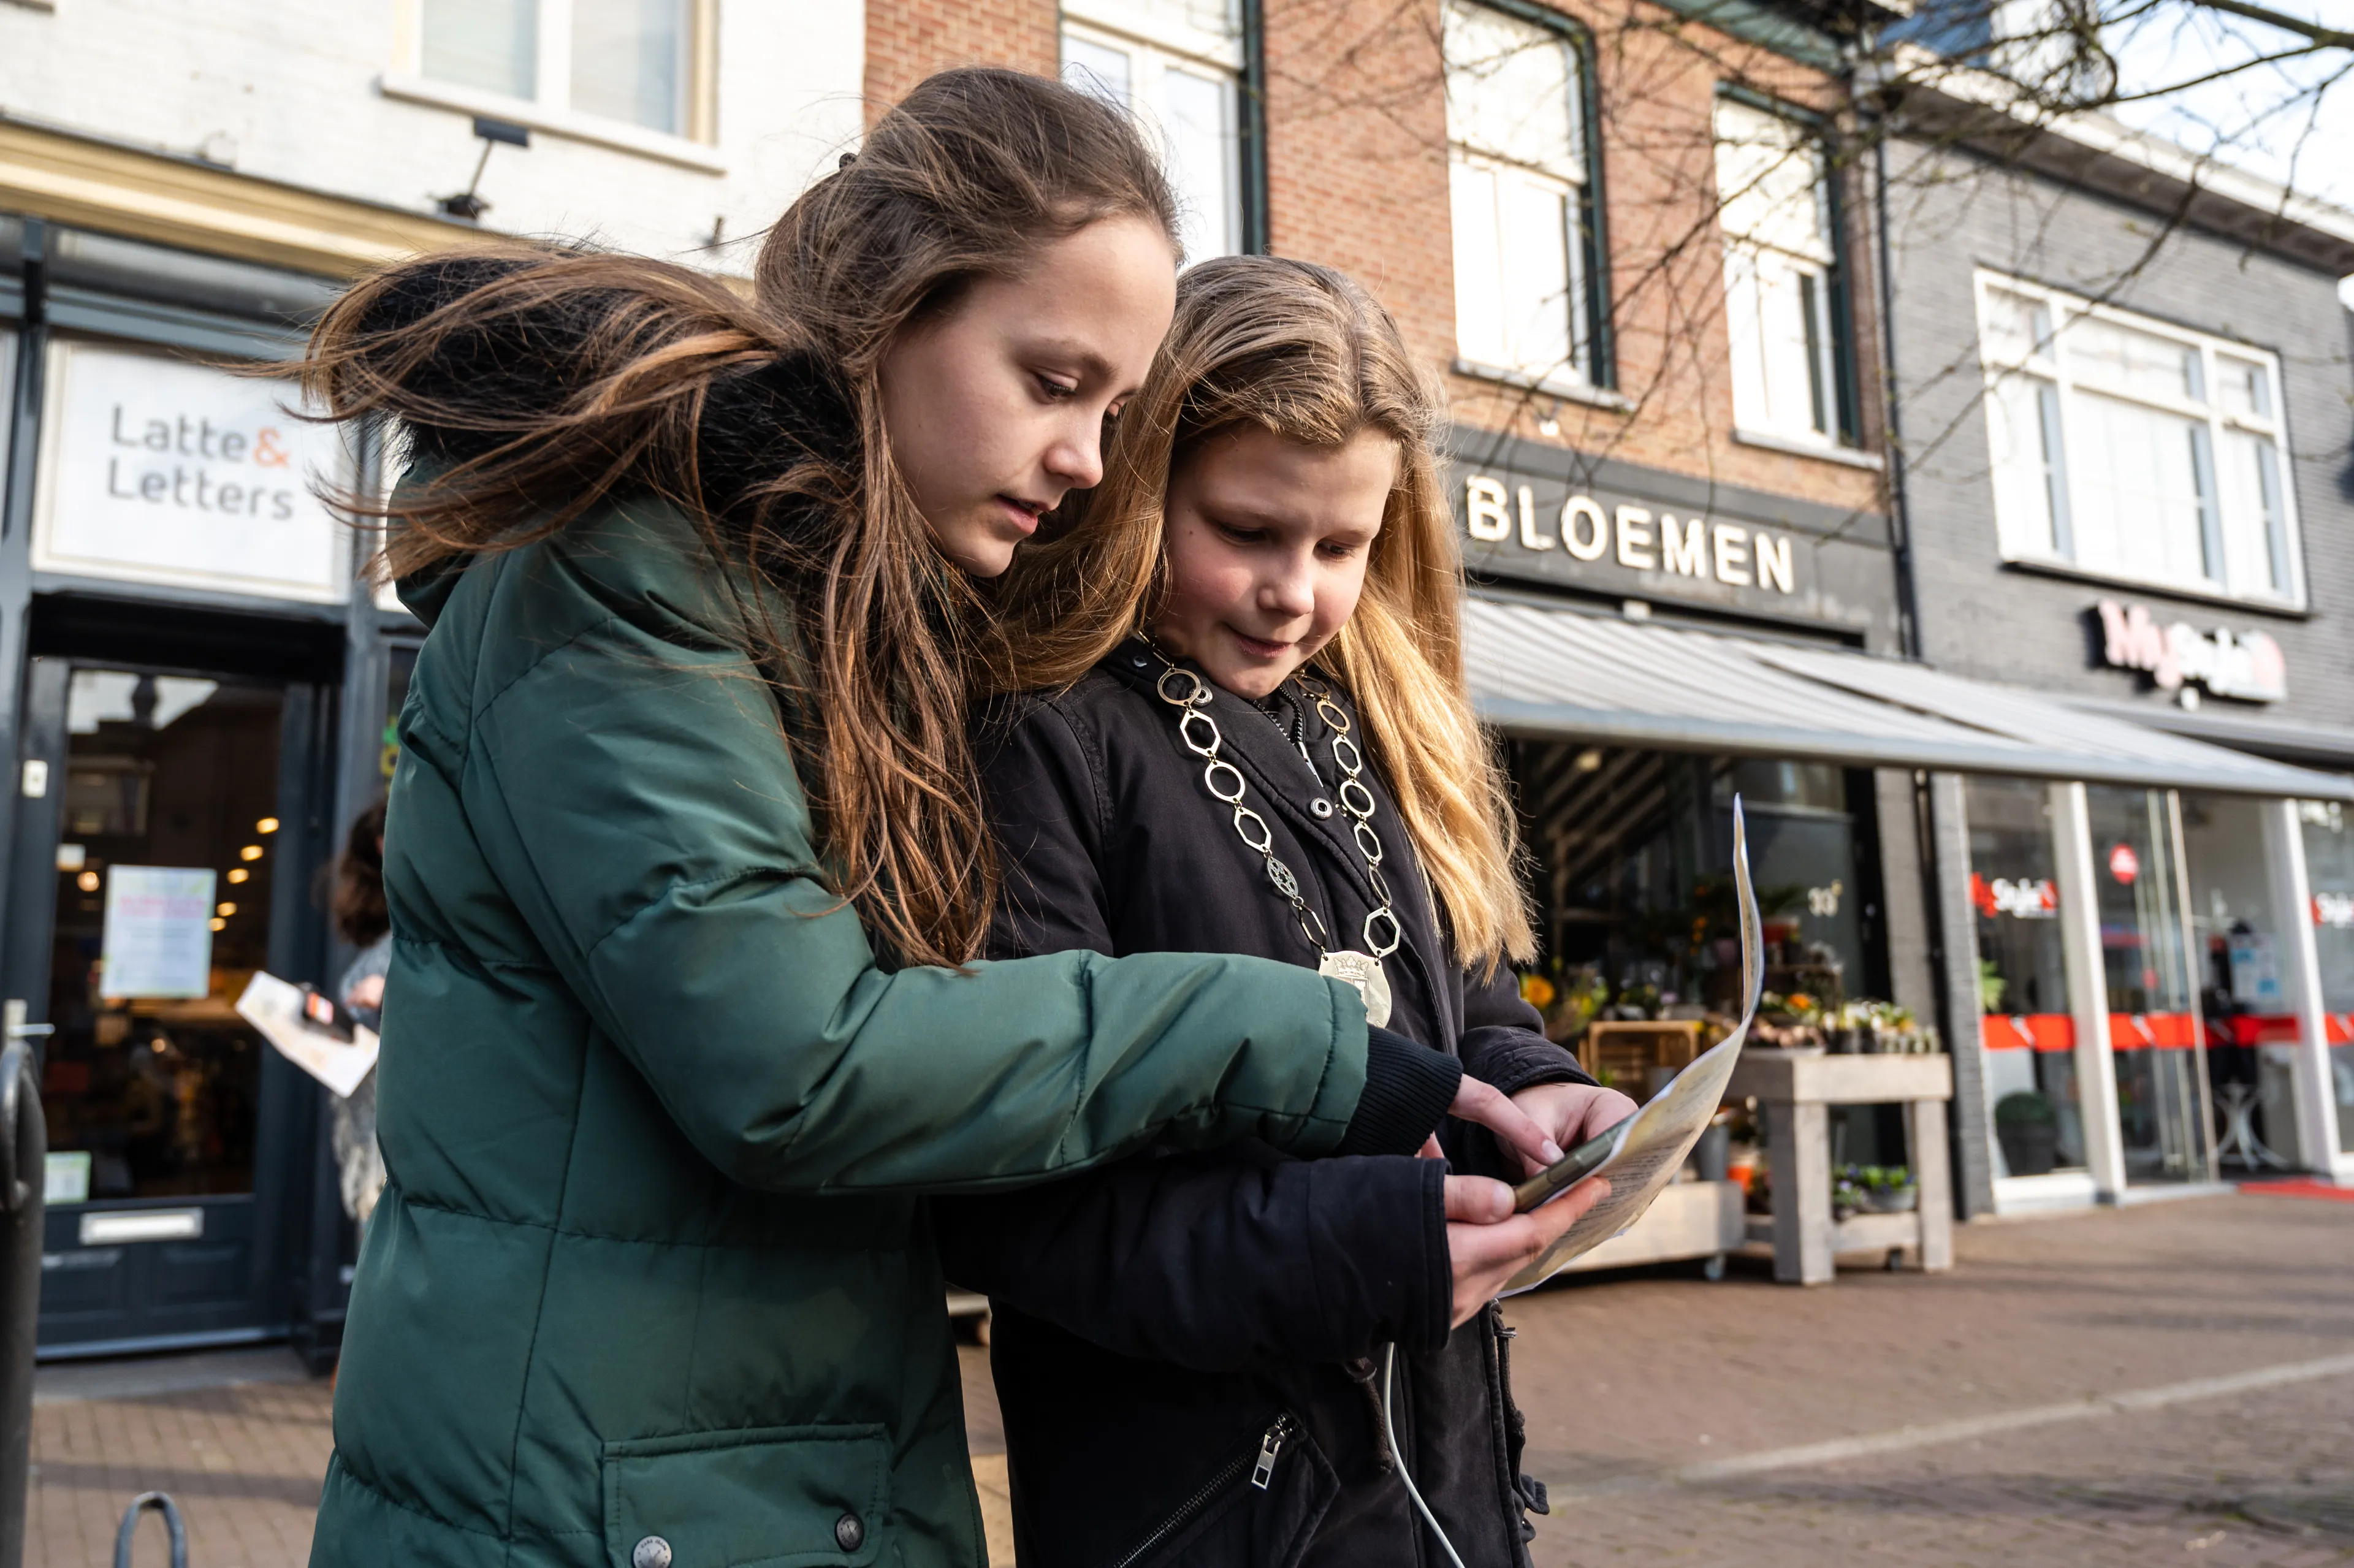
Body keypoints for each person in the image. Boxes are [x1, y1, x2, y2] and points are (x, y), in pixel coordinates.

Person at [296, 69, 1562, 1568]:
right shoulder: (620, 584)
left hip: (761, 1470)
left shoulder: (837, 615)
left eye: (1113, 405)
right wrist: (1280, 1033)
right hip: (591, 1502)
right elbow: (799, 1065)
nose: (1091, 459)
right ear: (894, 309)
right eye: (1051, 380)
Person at [937, 256, 1641, 1567]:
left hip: (1435, 1485)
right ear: (1141, 487)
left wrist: (1533, 1082)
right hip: (1203, 1515)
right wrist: (1360, 1246)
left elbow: (1455, 994)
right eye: (1248, 531)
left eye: (1343, 547)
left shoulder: (1370, 724)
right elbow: (1018, 1205)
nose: (1297, 593)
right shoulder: (1039, 741)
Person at [327, 797, 390, 1239]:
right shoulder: (388, 934)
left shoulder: (444, 926)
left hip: (405, 1147)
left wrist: (397, 995)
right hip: (374, 1139)